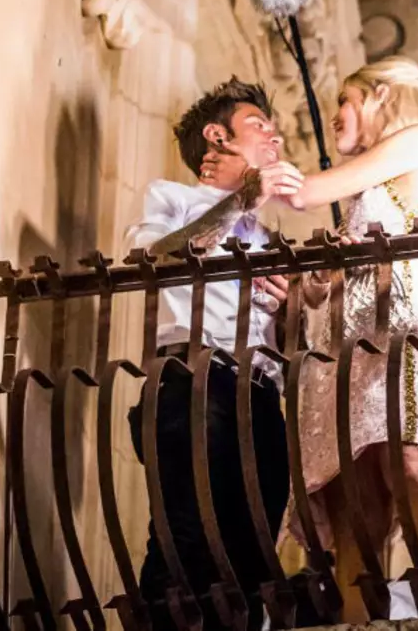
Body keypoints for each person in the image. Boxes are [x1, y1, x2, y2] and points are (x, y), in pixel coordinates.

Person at [202, 56, 418, 621]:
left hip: (394, 337)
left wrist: (246, 181)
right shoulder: (373, 183)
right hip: (343, 354)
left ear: (378, 97)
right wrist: (308, 285)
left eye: (343, 101)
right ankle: (354, 619)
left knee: (412, 463)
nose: (334, 116)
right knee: (354, 508)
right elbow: (342, 283)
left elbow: (303, 194)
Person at [123, 78, 301, 630]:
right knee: (184, 547)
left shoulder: (272, 240)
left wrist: (293, 306)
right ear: (216, 136)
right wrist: (243, 199)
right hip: (196, 381)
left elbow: (292, 347)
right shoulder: (170, 197)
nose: (274, 136)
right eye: (258, 125)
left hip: (261, 400)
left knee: (253, 564)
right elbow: (155, 257)